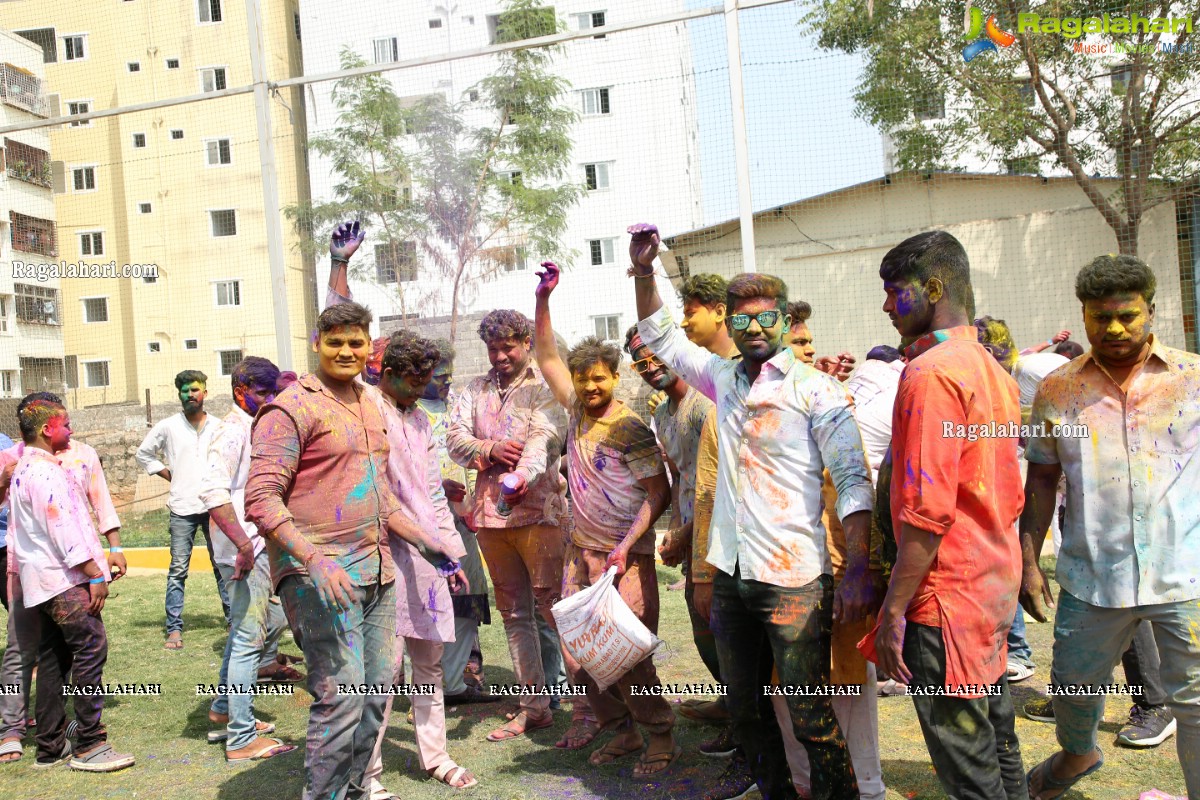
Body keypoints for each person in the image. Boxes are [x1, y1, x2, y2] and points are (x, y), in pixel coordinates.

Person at [631, 223, 873, 800]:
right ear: (731, 327)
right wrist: (645, 271)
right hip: (733, 578)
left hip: (795, 581)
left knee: (811, 715)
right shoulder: (722, 380)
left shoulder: (818, 391)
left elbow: (854, 484)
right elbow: (660, 336)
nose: (756, 327)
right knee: (745, 710)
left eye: (767, 316)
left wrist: (860, 570)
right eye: (741, 319)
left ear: (786, 321)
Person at [245, 301, 459, 800]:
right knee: (341, 695)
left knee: (376, 694)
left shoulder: (368, 404)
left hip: (379, 572)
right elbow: (259, 499)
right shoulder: (291, 408)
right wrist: (314, 561)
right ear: (317, 343)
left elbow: (380, 498)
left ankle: (356, 788)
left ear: (368, 348)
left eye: (356, 341)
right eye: (335, 341)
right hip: (318, 576)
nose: (346, 350)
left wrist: (429, 543)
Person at [1020, 255, 1199, 800]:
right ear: (1084, 315)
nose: (1115, 329)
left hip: (1184, 576)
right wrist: (1027, 562)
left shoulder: (1192, 379)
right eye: (1101, 318)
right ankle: (1079, 753)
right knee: (1074, 690)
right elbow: (1043, 479)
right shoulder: (1058, 389)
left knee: (1195, 702)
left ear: (1151, 309)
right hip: (1092, 578)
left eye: (1128, 315)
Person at [860, 230, 1027, 799]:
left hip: (946, 601)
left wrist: (893, 612)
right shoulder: (992, 370)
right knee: (998, 738)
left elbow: (927, 513)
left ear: (932, 288)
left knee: (968, 762)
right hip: (988, 589)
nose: (886, 305)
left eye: (893, 291)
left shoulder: (931, 374)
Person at [534, 262, 679, 777]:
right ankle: (622, 731)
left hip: (626, 560)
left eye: (599, 378)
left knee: (629, 656)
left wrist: (627, 546)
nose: (590, 386)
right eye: (583, 377)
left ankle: (660, 738)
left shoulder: (630, 428)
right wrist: (544, 298)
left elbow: (658, 493)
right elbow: (545, 354)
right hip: (581, 557)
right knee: (581, 658)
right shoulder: (575, 410)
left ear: (615, 378)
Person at [446, 308, 585, 744]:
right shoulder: (474, 389)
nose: (500, 355)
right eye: (493, 348)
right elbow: (454, 440)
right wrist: (489, 449)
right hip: (489, 519)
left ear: (527, 343)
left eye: (509, 346)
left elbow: (545, 440)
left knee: (557, 611)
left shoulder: (545, 387)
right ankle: (535, 709)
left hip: (540, 515)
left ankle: (588, 709)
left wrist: (520, 476)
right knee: (514, 616)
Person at [363, 330, 476, 793]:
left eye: (427, 381)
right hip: (383, 552)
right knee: (383, 670)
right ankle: (367, 773)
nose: (424, 390)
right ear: (387, 374)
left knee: (427, 662)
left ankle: (436, 756)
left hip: (428, 559)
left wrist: (452, 555)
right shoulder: (366, 410)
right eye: (414, 382)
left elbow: (432, 493)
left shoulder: (422, 422)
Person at [8, 397, 134, 772]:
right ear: (48, 429)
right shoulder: (44, 473)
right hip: (63, 579)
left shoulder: (25, 468)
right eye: (65, 424)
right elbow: (63, 529)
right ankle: (90, 744)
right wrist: (95, 573)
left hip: (41, 580)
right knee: (91, 646)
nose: (71, 430)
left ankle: (50, 746)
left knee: (53, 658)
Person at [198, 357, 296, 761]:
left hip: (252, 547)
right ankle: (240, 738)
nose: (271, 400)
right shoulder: (230, 432)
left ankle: (225, 710)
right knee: (247, 640)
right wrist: (242, 544)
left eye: (274, 393)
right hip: (245, 551)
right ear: (241, 391)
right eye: (264, 393)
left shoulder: (250, 427)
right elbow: (213, 493)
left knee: (254, 627)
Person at [417, 341, 497, 705]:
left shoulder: (457, 408)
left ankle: (454, 685)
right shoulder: (407, 413)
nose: (446, 380)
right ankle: (427, 690)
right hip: (421, 528)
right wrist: (433, 486)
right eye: (439, 374)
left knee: (466, 603)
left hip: (464, 523)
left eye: (449, 373)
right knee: (426, 608)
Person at [136, 369, 230, 649]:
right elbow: (144, 454)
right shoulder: (168, 426)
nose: (190, 395)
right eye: (185, 390)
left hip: (214, 507)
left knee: (222, 565)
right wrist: (169, 475)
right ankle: (174, 629)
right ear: (178, 393)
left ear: (205, 392)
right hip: (182, 507)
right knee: (178, 569)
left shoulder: (219, 426)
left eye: (195, 389)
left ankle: (233, 621)